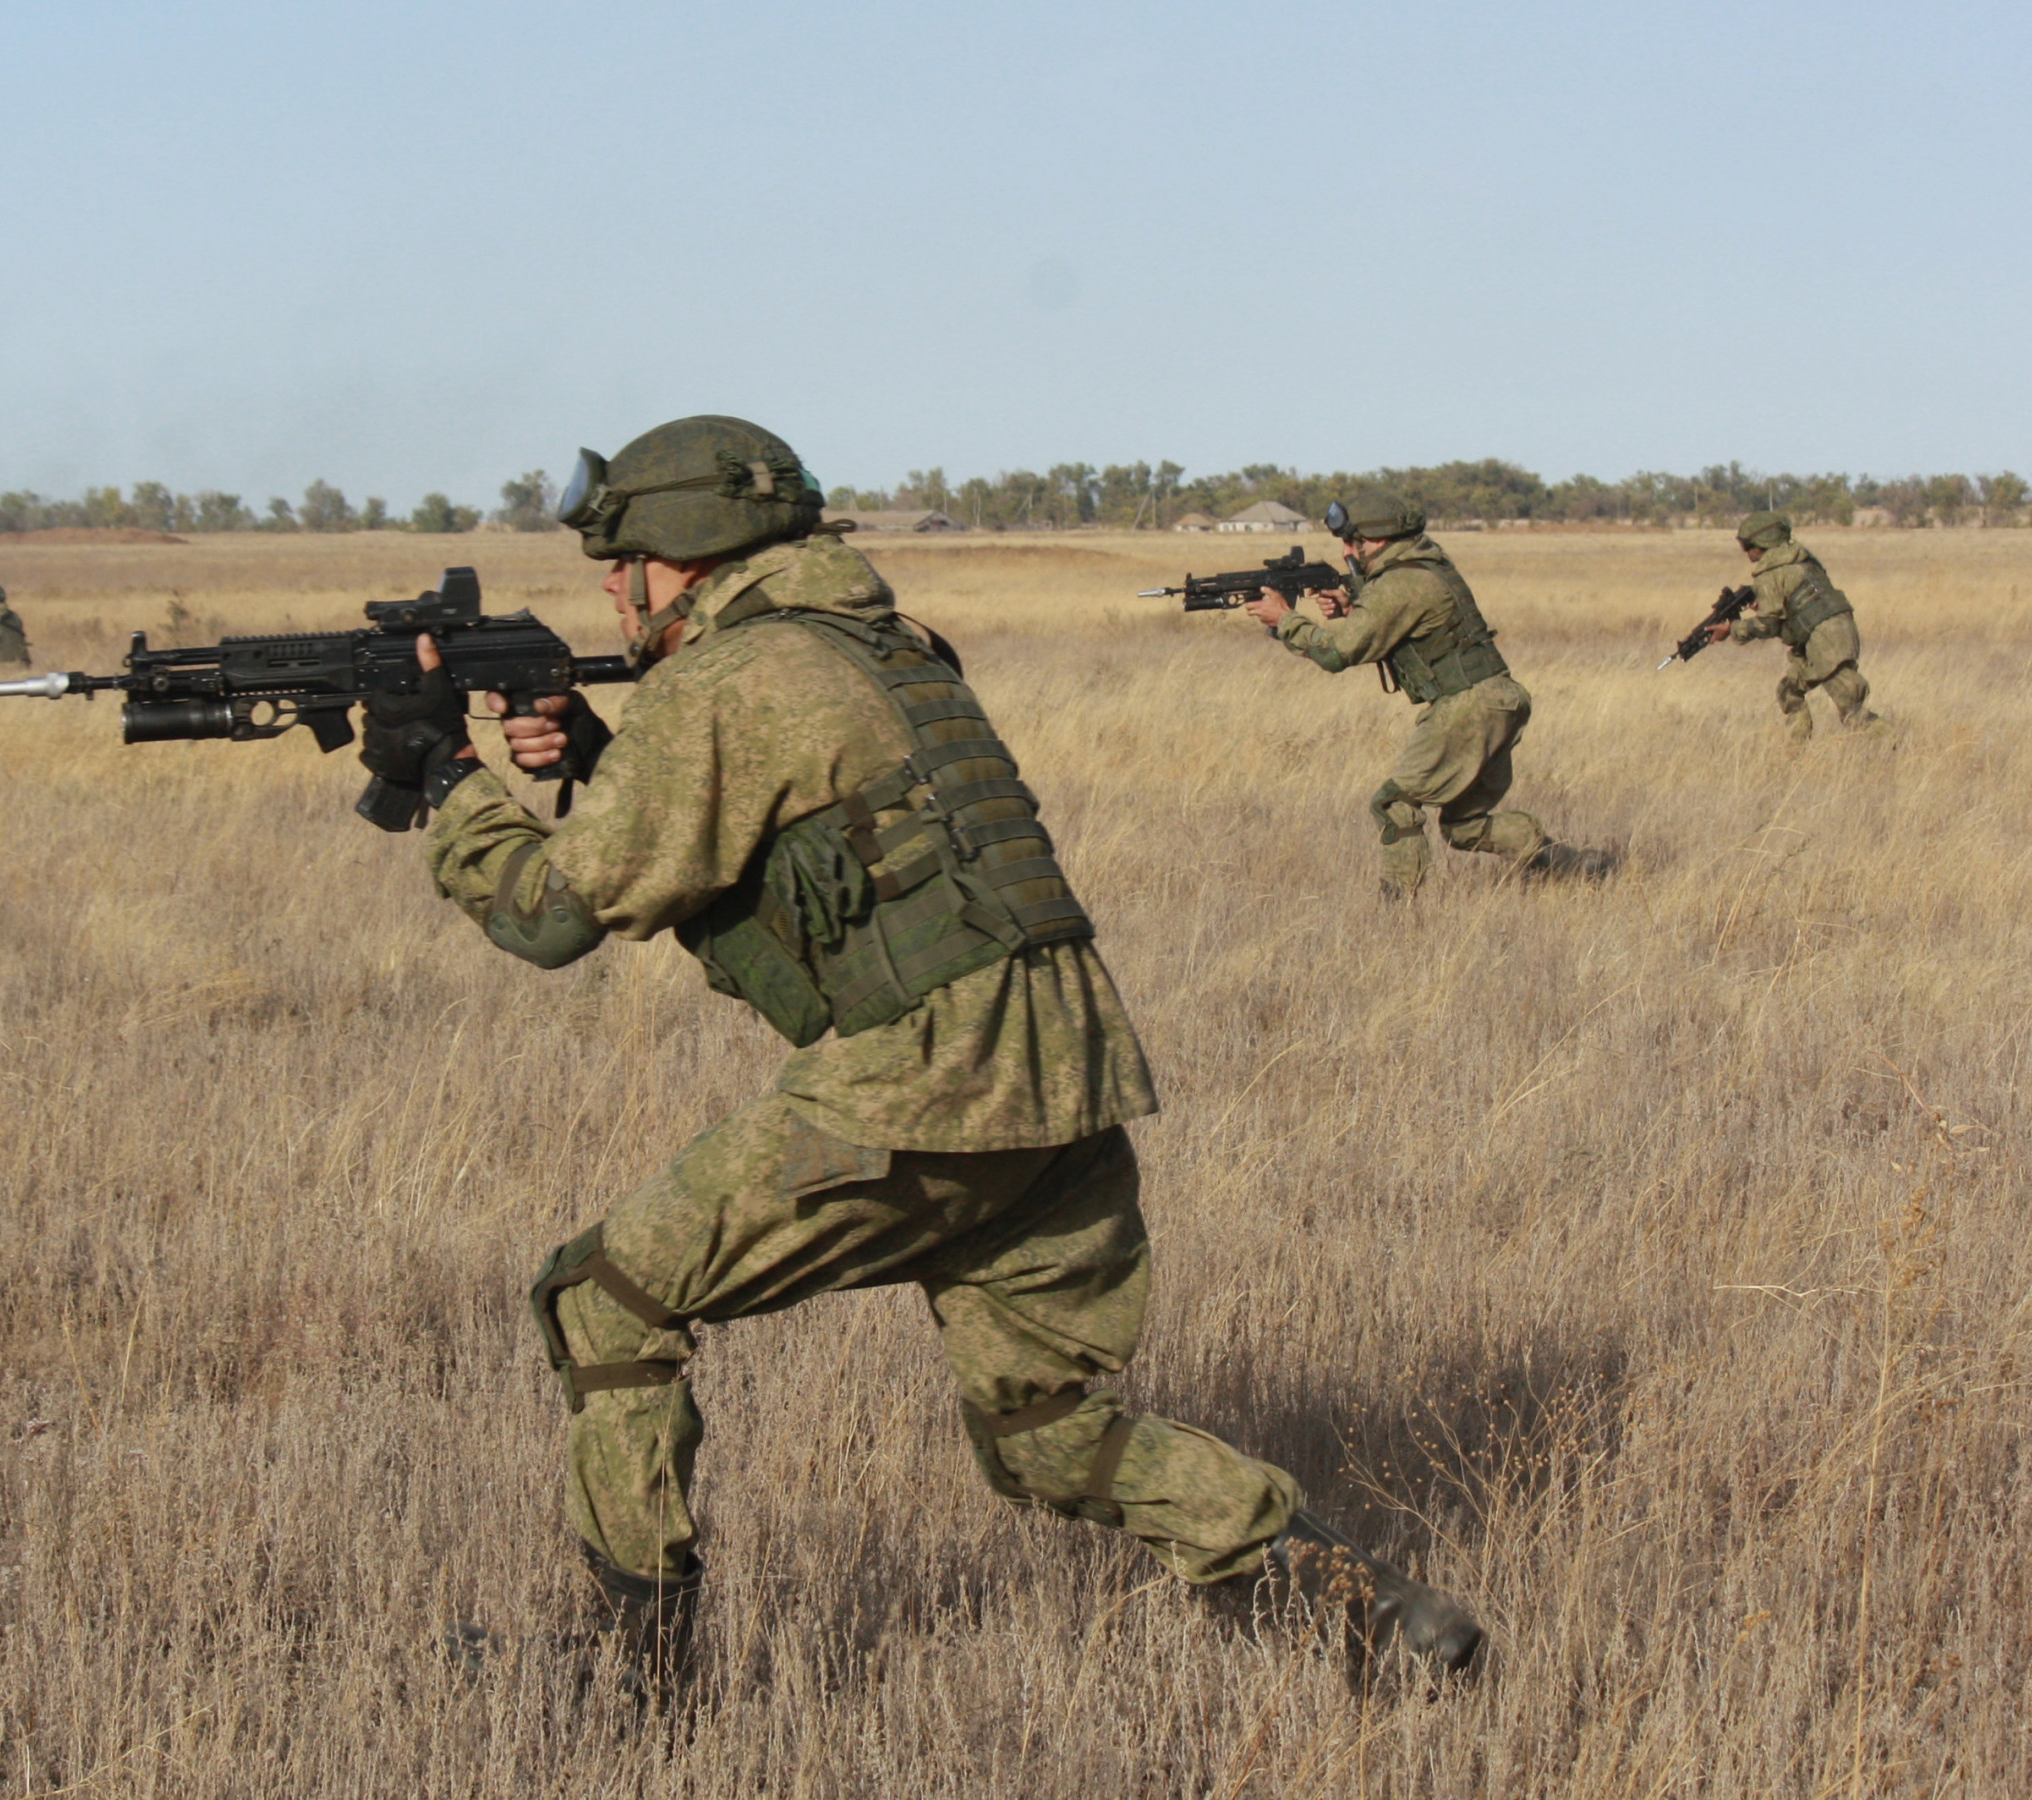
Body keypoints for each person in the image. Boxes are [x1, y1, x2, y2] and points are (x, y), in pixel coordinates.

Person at [356, 416, 1481, 1693]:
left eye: (624, 565)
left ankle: (637, 1673)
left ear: (685, 551)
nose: (611, 593)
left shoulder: (729, 682)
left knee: (602, 1299)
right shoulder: (883, 644)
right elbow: (788, 875)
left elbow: (549, 918)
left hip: (930, 1079)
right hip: (1062, 1070)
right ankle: (1365, 1608)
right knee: (1047, 1434)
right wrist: (605, 761)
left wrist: (447, 781)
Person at [1240, 492, 1612, 897]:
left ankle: (1399, 914)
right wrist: (1354, 606)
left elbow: (1336, 653)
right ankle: (1571, 864)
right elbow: (1394, 627)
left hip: (1469, 704)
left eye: (1353, 542)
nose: (1346, 551)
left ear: (1378, 540)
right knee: (1464, 826)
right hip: (1496, 699)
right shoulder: (1422, 566)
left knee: (1393, 803)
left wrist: (1286, 620)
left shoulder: (1402, 583)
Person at [1700, 513, 1876, 740]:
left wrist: (1732, 630)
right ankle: (1796, 753)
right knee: (1789, 691)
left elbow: (1767, 626)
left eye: (1748, 546)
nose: (1746, 552)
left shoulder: (1771, 574)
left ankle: (1891, 746)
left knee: (1853, 713)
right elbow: (1800, 605)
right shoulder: (1802, 559)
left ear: (1763, 543)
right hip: (1833, 634)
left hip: (1825, 643)